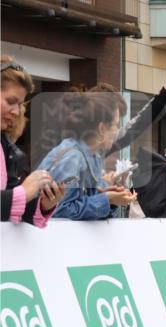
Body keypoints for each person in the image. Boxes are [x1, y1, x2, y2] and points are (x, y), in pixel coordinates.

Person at [36, 84, 138, 220]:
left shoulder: (93, 155)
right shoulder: (72, 157)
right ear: (102, 128)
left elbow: (84, 206)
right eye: (116, 125)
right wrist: (106, 199)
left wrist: (111, 198)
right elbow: (61, 211)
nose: (117, 131)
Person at [1, 58, 63, 224]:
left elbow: (11, 207)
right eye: (10, 101)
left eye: (20, 105)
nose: (17, 112)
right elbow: (14, 198)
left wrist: (44, 204)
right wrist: (24, 192)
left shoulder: (4, 145)